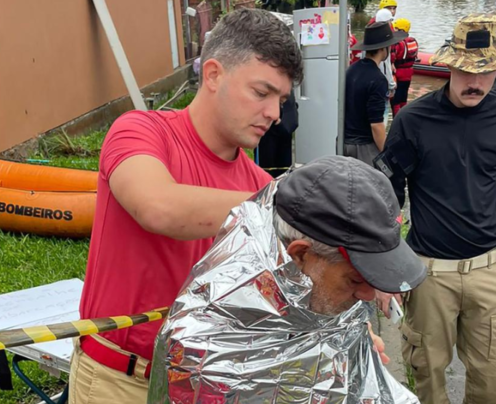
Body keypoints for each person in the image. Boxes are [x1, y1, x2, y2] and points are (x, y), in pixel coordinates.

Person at [70, 9, 303, 404]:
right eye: (261, 93)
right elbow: (157, 206)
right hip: (120, 381)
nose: (275, 114)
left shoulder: (260, 186)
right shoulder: (140, 131)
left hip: (205, 385)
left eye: (281, 99)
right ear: (213, 75)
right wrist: (290, 205)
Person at [149, 156, 427, 403]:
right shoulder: (201, 348)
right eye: (355, 280)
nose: (368, 296)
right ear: (301, 254)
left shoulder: (327, 291)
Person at [376, 14, 496, 404]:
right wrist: (384, 267)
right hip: (429, 274)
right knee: (426, 374)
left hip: (491, 269)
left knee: (492, 377)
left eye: (485, 71)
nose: (474, 82)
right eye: (465, 71)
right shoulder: (412, 121)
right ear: (449, 66)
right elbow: (387, 194)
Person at [344, 22, 406, 165]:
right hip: (363, 147)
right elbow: (376, 125)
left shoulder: (351, 70)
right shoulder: (378, 79)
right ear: (384, 48)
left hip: (344, 143)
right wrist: (386, 154)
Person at [258, 89, 297, 178]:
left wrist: (281, 122)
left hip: (281, 131)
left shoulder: (286, 91)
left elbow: (292, 119)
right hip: (267, 135)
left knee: (281, 169)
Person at [390, 18, 418, 116]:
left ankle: (396, 119)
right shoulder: (412, 41)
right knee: (403, 98)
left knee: (395, 100)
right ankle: (404, 116)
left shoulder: (398, 43)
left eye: (395, 29)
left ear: (400, 30)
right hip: (408, 74)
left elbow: (392, 57)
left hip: (398, 74)